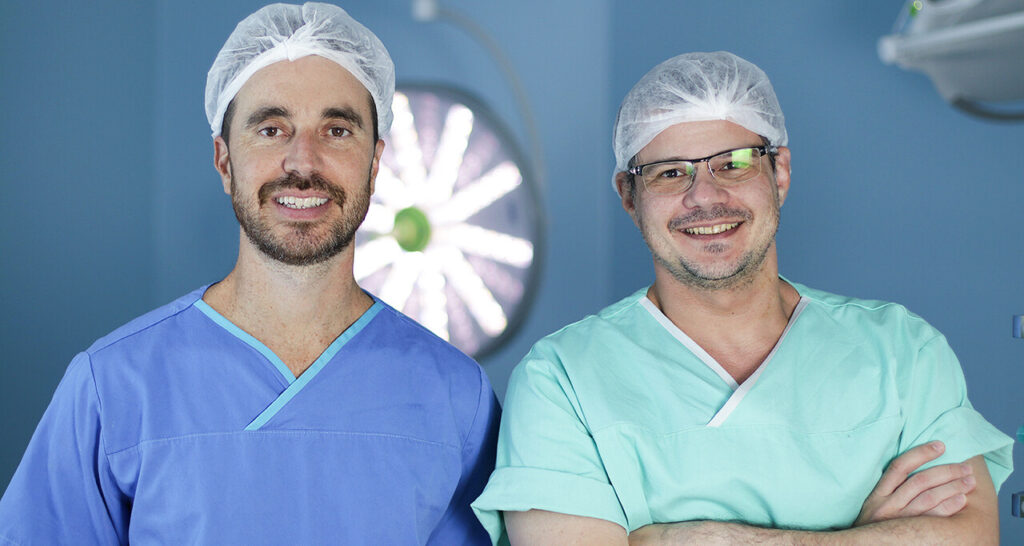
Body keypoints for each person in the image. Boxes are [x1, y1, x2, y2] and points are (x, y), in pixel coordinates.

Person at [0, 3, 498, 544]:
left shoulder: (456, 397)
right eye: (271, 129)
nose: (302, 162)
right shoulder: (114, 387)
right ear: (224, 161)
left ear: (375, 163)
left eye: (336, 130)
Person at [471, 51, 1013, 544]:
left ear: (779, 172)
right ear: (629, 197)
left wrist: (694, 539)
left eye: (733, 163)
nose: (704, 196)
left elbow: (972, 536)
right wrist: (863, 535)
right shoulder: (561, 380)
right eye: (669, 173)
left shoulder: (902, 352)